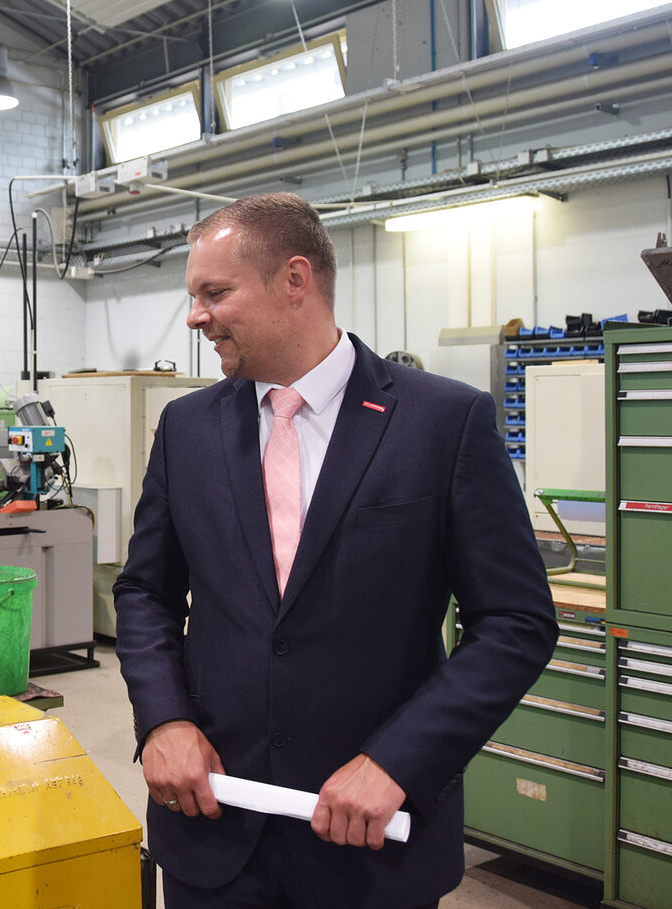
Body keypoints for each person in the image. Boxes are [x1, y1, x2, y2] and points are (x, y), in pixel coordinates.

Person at [113, 193, 558, 907]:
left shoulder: (443, 423)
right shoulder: (186, 429)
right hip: (212, 831)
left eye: (214, 293)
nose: (195, 317)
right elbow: (145, 593)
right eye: (193, 296)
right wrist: (163, 718)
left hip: (372, 845)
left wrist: (399, 761)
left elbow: (515, 622)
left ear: (296, 281)